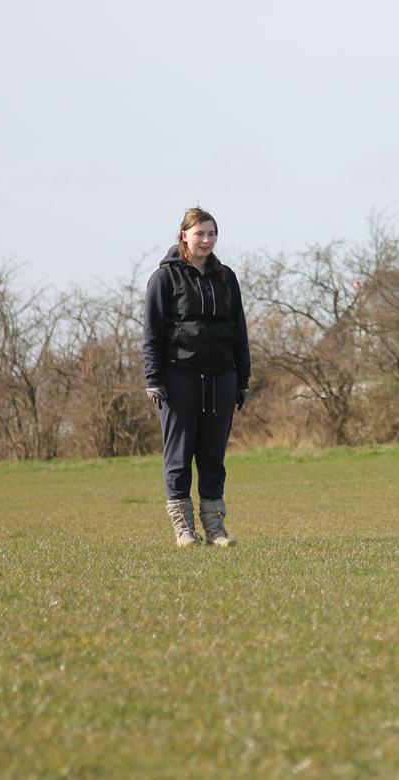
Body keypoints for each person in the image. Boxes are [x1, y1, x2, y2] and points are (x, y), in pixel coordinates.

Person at [142, 207, 251, 546]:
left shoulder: (226, 276)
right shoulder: (164, 278)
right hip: (179, 377)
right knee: (179, 455)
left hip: (221, 376)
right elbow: (152, 333)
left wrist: (242, 378)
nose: (206, 240)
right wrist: (153, 378)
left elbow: (240, 329)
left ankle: (215, 529)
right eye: (200, 233)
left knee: (212, 456)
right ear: (184, 235)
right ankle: (183, 529)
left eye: (211, 234)